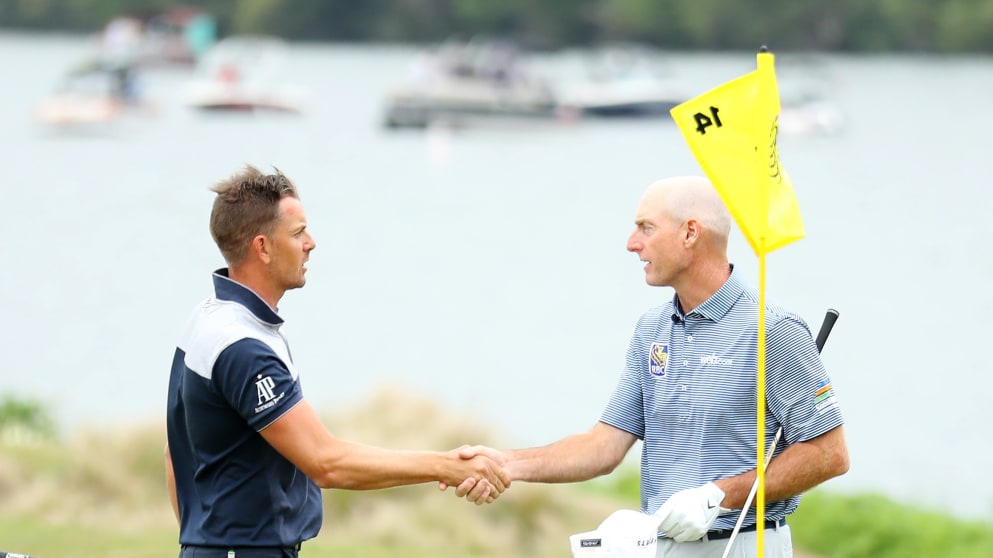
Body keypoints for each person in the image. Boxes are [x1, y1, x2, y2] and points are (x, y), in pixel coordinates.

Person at [446, 175, 849, 557]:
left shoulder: (773, 330)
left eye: (646, 228)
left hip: (742, 544)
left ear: (690, 233)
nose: (631, 243)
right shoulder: (652, 329)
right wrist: (506, 464)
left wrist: (718, 496)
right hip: (659, 546)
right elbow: (603, 446)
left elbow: (829, 454)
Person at [165, 165, 508, 558]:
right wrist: (446, 465)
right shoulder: (244, 347)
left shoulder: (208, 317)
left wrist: (200, 541)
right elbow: (326, 462)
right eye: (298, 233)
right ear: (263, 247)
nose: (310, 243)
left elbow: (174, 452)